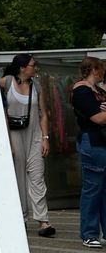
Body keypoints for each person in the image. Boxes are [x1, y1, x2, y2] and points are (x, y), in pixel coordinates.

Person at [0, 53, 55, 237]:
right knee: (18, 177)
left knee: (37, 176)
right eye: (32, 65)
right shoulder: (5, 82)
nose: (35, 68)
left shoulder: (36, 86)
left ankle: (43, 221)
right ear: (22, 67)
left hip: (35, 134)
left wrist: (45, 137)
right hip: (13, 134)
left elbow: (43, 113)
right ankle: (20, 217)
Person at [71, 56, 106, 248]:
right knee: (93, 188)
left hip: (101, 141)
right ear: (94, 69)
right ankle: (89, 233)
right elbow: (98, 118)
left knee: (103, 189)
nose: (103, 73)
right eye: (101, 69)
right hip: (92, 141)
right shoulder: (82, 91)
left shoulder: (97, 90)